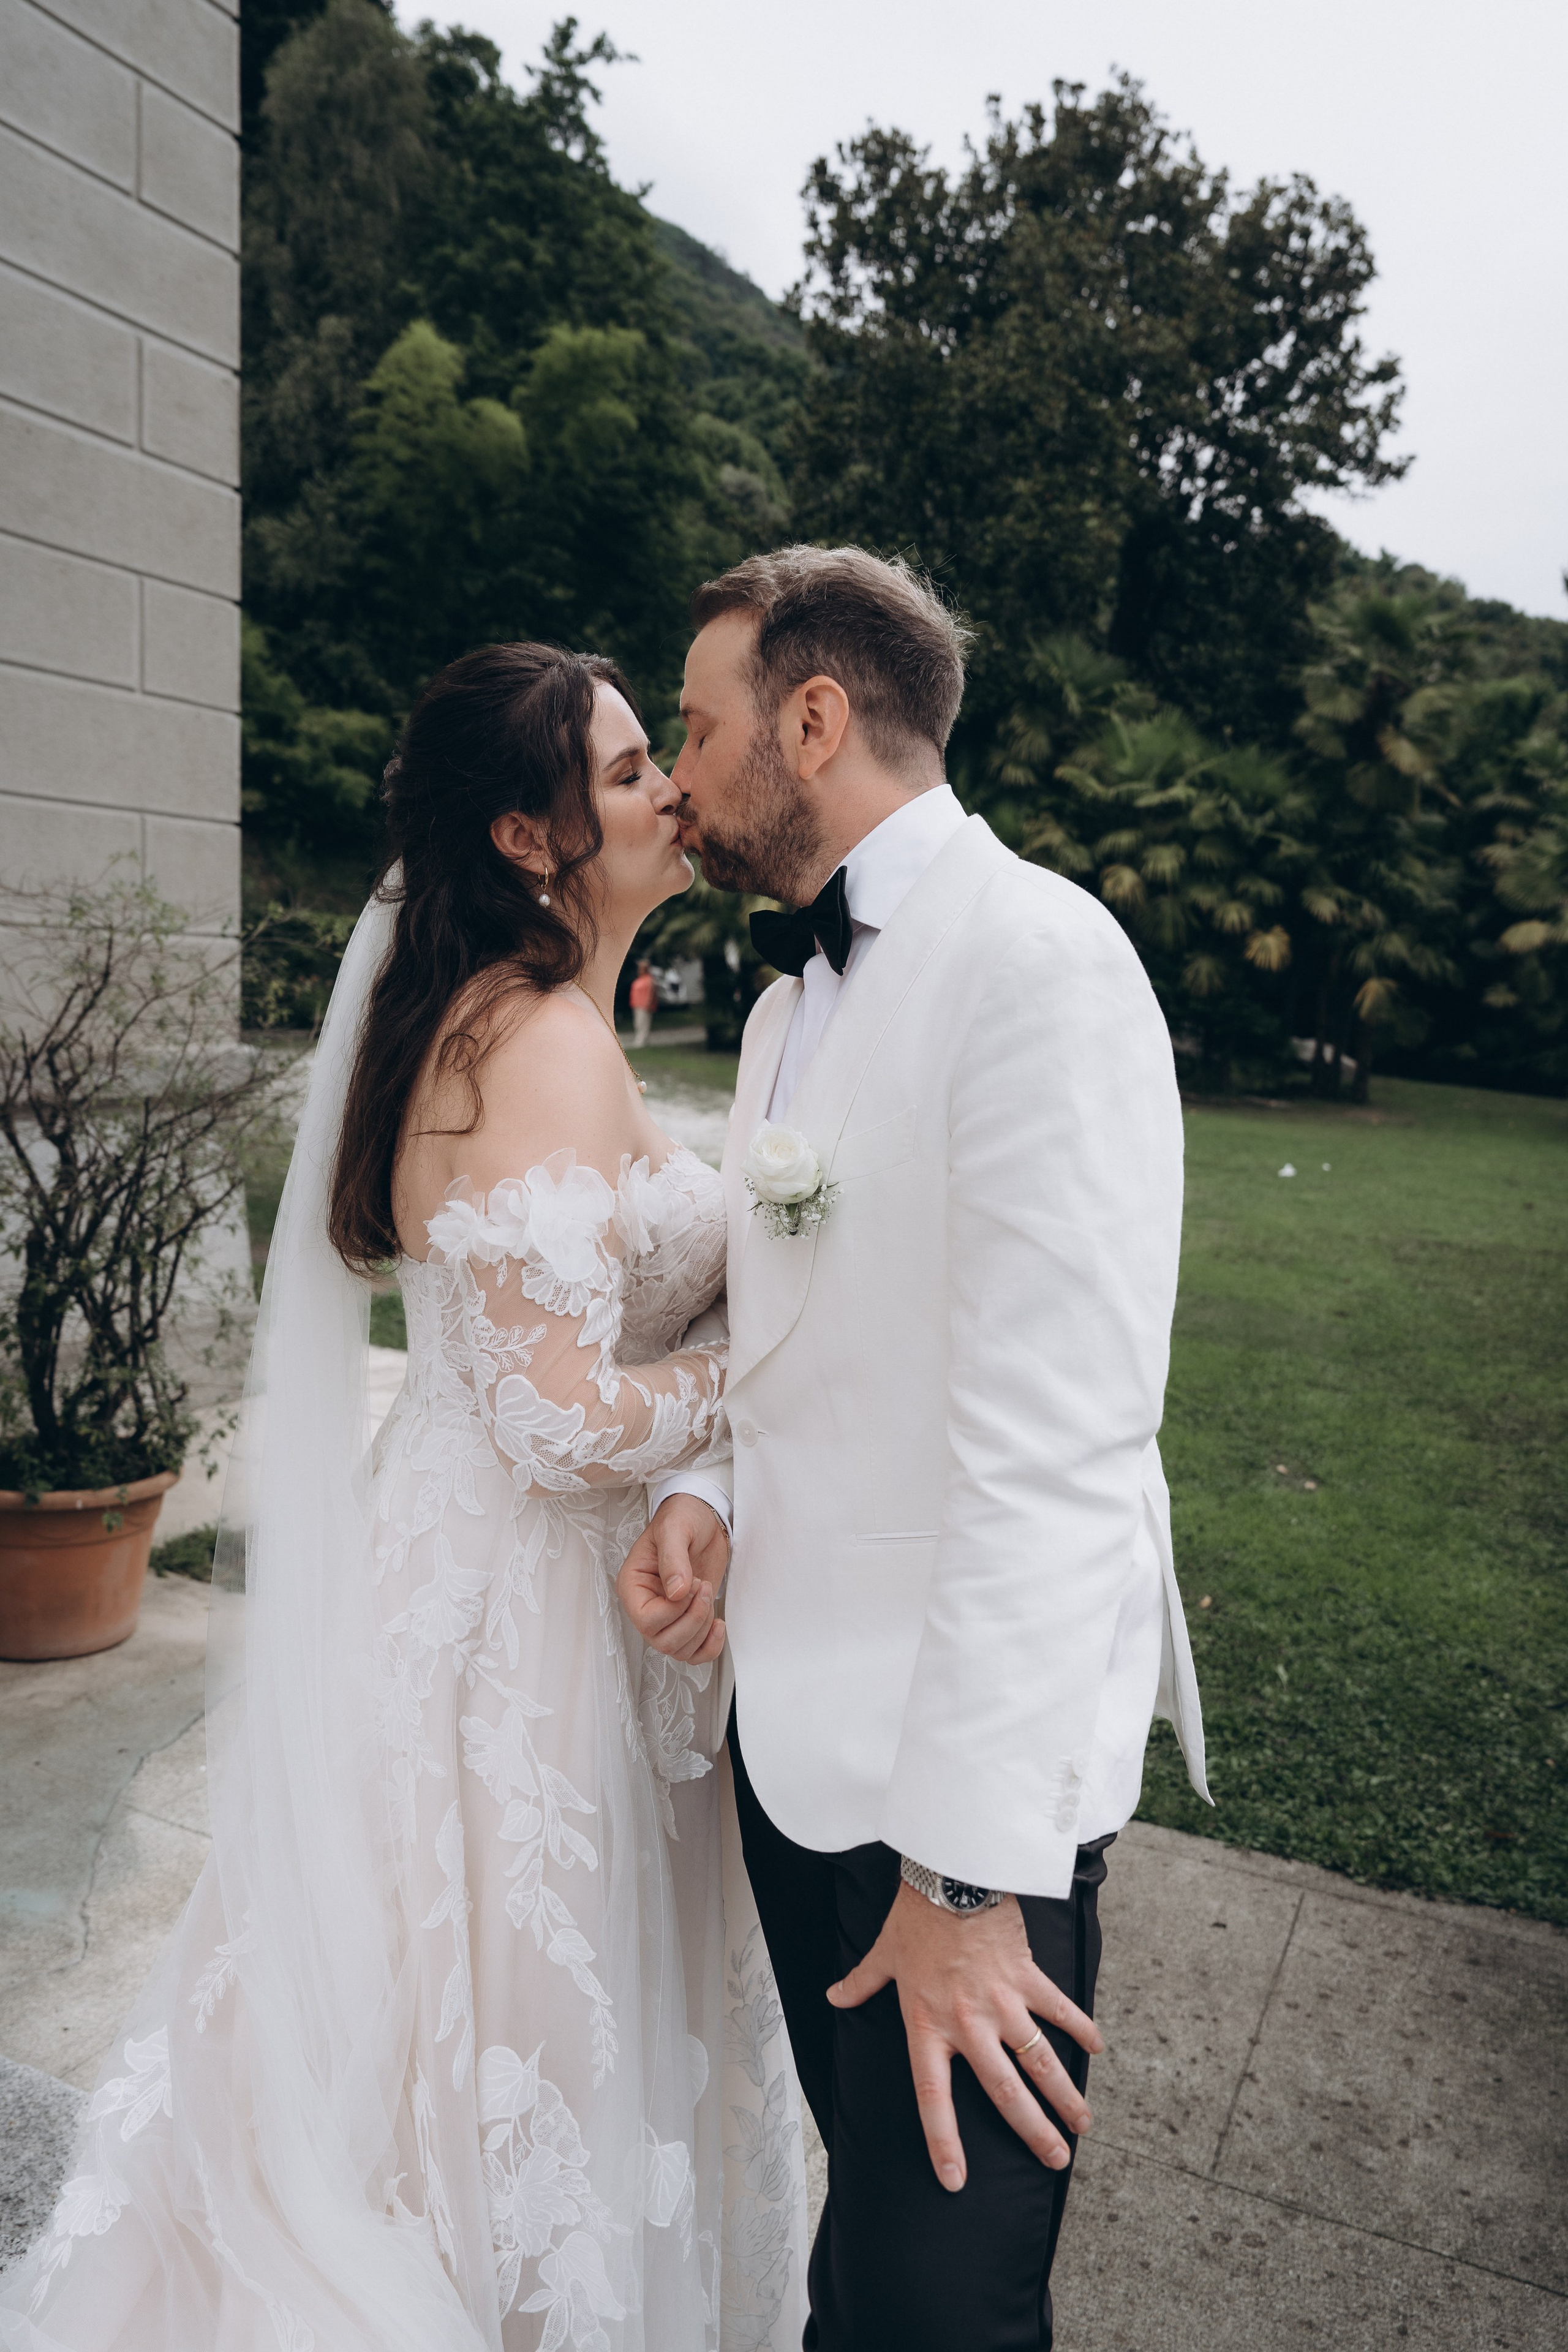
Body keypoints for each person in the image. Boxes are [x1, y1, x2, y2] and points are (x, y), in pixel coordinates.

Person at [2, 644, 808, 2351]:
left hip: (478, 1580)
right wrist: (789, 1367)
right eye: (620, 772)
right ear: (530, 838)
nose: (670, 786)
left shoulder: (531, 1022)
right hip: (518, 1624)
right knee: (492, 2047)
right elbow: (555, 1420)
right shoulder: (532, 1044)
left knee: (430, 2039)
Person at [619, 547, 1209, 2351]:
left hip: (960, 1809)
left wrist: (964, 1884)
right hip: (796, 1756)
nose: (676, 775)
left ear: (815, 717)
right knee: (862, 2258)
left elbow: (1064, 1456)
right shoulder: (791, 1004)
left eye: (700, 728)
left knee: (950, 2309)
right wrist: (712, 1491)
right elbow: (796, 1329)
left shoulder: (1038, 956)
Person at [629, 958, 658, 1048]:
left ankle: (641, 1041)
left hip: (644, 1006)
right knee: (638, 1023)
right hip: (637, 1005)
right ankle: (641, 1039)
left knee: (643, 1023)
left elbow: (650, 994)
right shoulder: (639, 979)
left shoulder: (649, 980)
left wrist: (648, 1004)